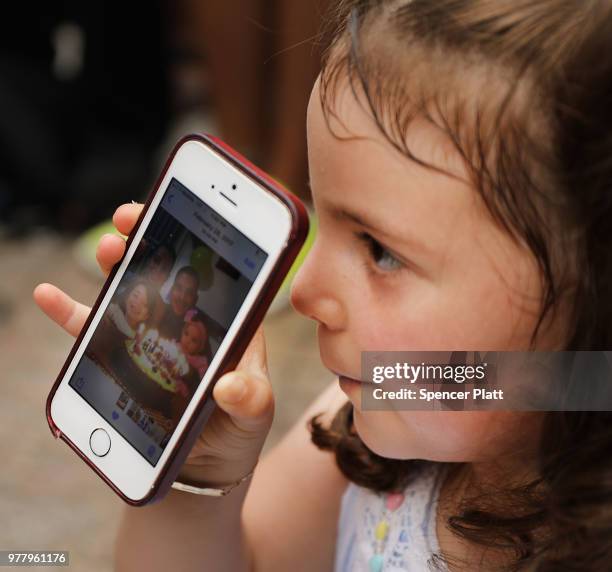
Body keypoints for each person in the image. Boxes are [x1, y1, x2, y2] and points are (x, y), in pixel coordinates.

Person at [33, 0, 612, 569]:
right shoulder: (376, 408)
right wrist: (195, 475)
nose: (305, 291)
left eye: (380, 251)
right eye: (320, 210)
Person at [156, 266, 200, 341]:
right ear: (172, 289)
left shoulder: (195, 333)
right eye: (179, 288)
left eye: (189, 293)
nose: (182, 297)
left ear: (195, 300)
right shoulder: (155, 311)